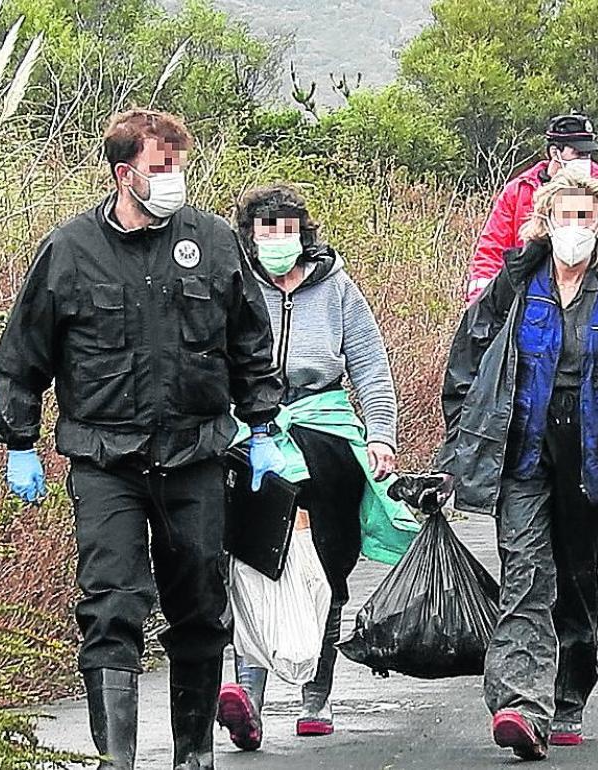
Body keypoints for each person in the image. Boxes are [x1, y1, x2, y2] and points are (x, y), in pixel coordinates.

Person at [0, 109, 285, 770]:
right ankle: (115, 759)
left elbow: (249, 344)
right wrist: (18, 440)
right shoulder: (69, 250)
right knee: (110, 607)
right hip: (105, 461)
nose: (174, 178)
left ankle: (192, 754)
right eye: (161, 167)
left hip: (195, 457)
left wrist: (264, 427)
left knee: (200, 609)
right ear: (126, 174)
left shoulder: (211, 241)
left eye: (178, 164)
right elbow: (23, 354)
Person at [435, 169, 598, 759]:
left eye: (585, 217)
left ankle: (570, 691)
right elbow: (468, 358)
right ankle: (521, 705)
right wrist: (460, 441)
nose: (574, 228)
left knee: (573, 577)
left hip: (593, 451)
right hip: (522, 448)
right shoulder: (514, 286)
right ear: (543, 223)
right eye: (564, 216)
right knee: (524, 574)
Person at [214, 184, 420, 750]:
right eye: (265, 229)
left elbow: (370, 367)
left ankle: (316, 696)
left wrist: (381, 437)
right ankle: (247, 699)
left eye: (287, 228)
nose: (277, 240)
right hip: (252, 431)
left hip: (326, 427)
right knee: (254, 559)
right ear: (248, 235)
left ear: (305, 232)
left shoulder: (336, 288)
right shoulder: (234, 286)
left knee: (329, 562)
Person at [465, 112, 598, 304]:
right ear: (555, 152)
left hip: (592, 301)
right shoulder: (519, 191)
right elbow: (491, 252)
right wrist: (480, 308)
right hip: (529, 301)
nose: (585, 160)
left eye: (587, 154)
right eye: (578, 154)